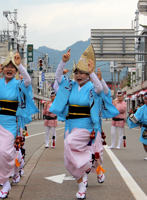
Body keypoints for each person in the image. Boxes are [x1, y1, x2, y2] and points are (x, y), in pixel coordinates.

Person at [0, 51, 38, 199]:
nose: (9, 69)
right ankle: (5, 183)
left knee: (5, 152)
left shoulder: (18, 84)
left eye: (13, 67)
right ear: (2, 69)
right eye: (7, 67)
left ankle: (18, 159)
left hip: (12, 122)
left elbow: (28, 82)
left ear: (16, 71)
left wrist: (20, 64)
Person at [51, 46, 103, 199]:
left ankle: (93, 170)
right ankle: (82, 182)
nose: (79, 75)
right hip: (71, 126)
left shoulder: (92, 87)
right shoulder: (71, 86)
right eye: (77, 73)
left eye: (82, 73)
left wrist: (92, 73)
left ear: (88, 74)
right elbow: (58, 78)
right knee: (68, 158)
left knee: (81, 148)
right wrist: (63, 62)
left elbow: (100, 88)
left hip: (86, 127)